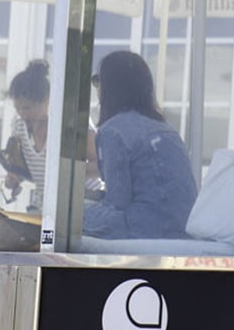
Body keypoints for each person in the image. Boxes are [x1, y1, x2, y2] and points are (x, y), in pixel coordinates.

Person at [83, 51, 197, 240]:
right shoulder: (166, 128)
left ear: (111, 86)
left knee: (68, 218)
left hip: (144, 227)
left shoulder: (113, 131)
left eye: (98, 80)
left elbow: (117, 201)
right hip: (182, 228)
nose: (97, 88)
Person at [3, 59, 102, 212]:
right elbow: (24, 168)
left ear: (47, 100)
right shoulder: (19, 126)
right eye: (18, 108)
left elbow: (102, 165)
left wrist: (69, 171)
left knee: (59, 235)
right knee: (36, 235)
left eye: (28, 108)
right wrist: (14, 178)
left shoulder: (71, 123)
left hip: (81, 206)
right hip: (44, 207)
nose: (23, 114)